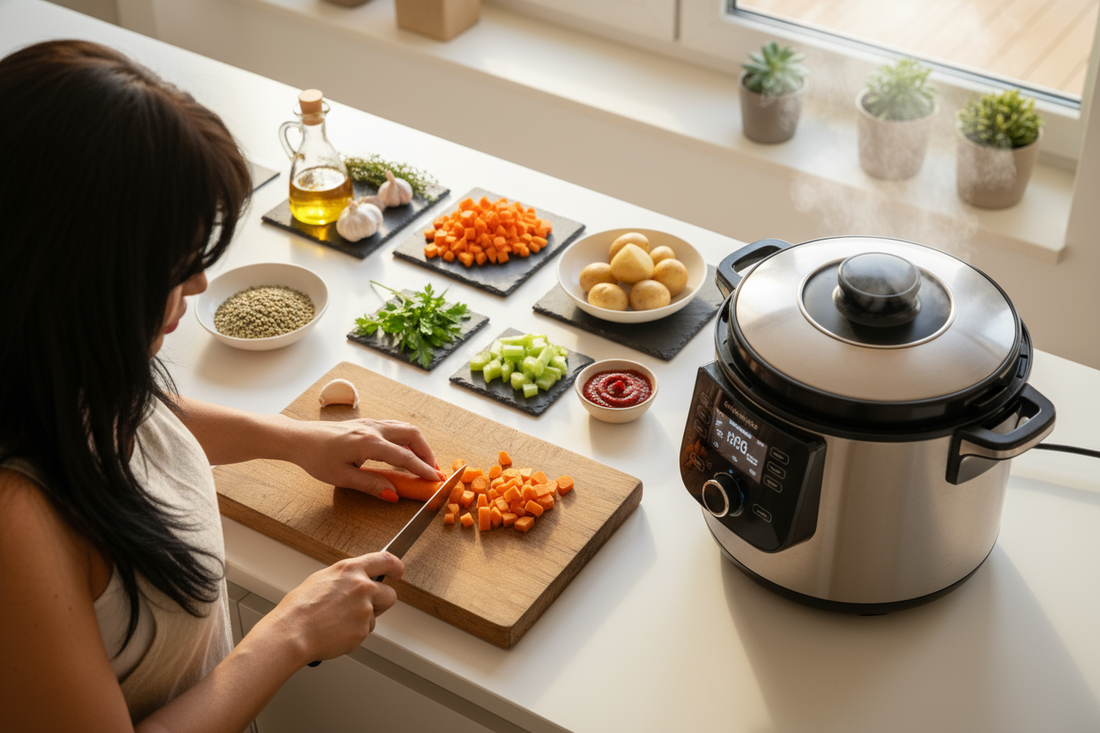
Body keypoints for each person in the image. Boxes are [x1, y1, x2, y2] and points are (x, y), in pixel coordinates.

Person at [0, 40, 440, 730]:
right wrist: (289, 632)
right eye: (174, 263)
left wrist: (296, 439)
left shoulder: (50, 362)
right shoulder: (14, 525)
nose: (200, 281)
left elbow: (129, 410)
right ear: (79, 277)